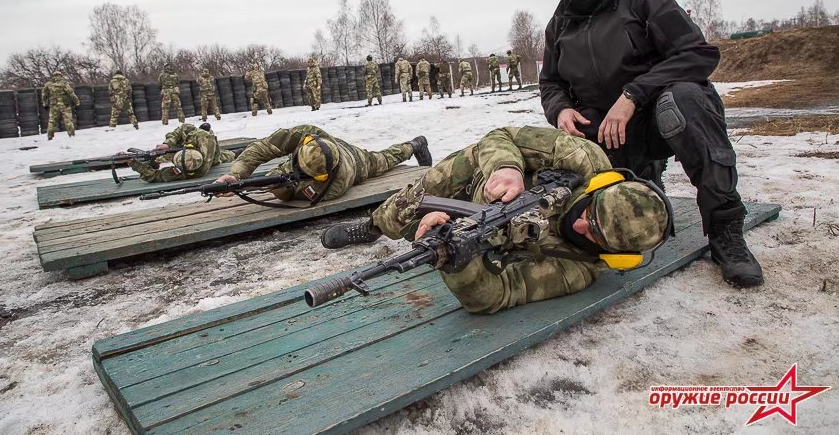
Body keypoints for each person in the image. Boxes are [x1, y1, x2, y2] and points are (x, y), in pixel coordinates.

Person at [541, 0, 762, 287]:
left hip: (655, 115)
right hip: (607, 129)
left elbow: (698, 54)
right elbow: (551, 82)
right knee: (578, 170)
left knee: (684, 99)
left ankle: (725, 230)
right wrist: (561, 109)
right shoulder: (561, 22)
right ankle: (640, 179)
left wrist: (633, 94)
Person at [320, 126, 671, 314]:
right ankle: (374, 226)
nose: (581, 227)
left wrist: (455, 260)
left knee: (427, 229)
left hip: (480, 239)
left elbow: (494, 296)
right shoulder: (580, 157)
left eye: (595, 235)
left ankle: (420, 229)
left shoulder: (577, 269)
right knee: (419, 196)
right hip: (480, 177)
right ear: (601, 187)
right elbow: (500, 136)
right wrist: (507, 168)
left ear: (616, 256)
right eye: (591, 215)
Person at [213, 124, 433, 204]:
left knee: (385, 158)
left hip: (356, 161)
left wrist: (271, 185)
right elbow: (264, 147)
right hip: (331, 145)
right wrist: (237, 176)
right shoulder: (308, 133)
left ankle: (414, 145)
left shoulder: (336, 184)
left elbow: (289, 194)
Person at [127, 123, 235, 183]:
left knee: (226, 157)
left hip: (214, 157)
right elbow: (183, 128)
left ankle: (235, 153)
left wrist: (133, 163)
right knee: (230, 154)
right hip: (205, 145)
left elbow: (154, 176)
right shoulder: (201, 138)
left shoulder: (189, 172)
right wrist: (167, 144)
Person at [41, 71, 79, 140]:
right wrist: (76, 102)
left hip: (54, 105)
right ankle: (71, 135)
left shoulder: (48, 84)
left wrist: (45, 104)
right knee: (68, 120)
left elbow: (44, 95)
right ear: (61, 75)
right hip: (64, 105)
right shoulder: (64, 83)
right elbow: (71, 93)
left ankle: (49, 136)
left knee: (52, 121)